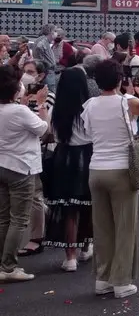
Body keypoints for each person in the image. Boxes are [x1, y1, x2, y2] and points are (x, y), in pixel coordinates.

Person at [81, 59, 139, 299]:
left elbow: (86, 132)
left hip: (96, 169)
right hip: (121, 169)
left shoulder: (90, 105)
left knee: (102, 227)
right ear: (120, 79)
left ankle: (102, 278)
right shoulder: (127, 103)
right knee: (125, 226)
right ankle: (122, 281)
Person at [0, 65, 49, 283]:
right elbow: (43, 129)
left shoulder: (10, 110)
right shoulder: (19, 112)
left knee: (3, 217)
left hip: (2, 164)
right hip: (21, 167)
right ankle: (9, 266)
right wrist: (41, 105)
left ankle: (3, 261)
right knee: (19, 219)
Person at [42, 68, 94, 271]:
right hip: (87, 156)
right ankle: (85, 247)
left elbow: (50, 134)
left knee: (68, 208)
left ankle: (69, 256)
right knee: (87, 205)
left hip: (63, 157)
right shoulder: (88, 108)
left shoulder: (58, 109)